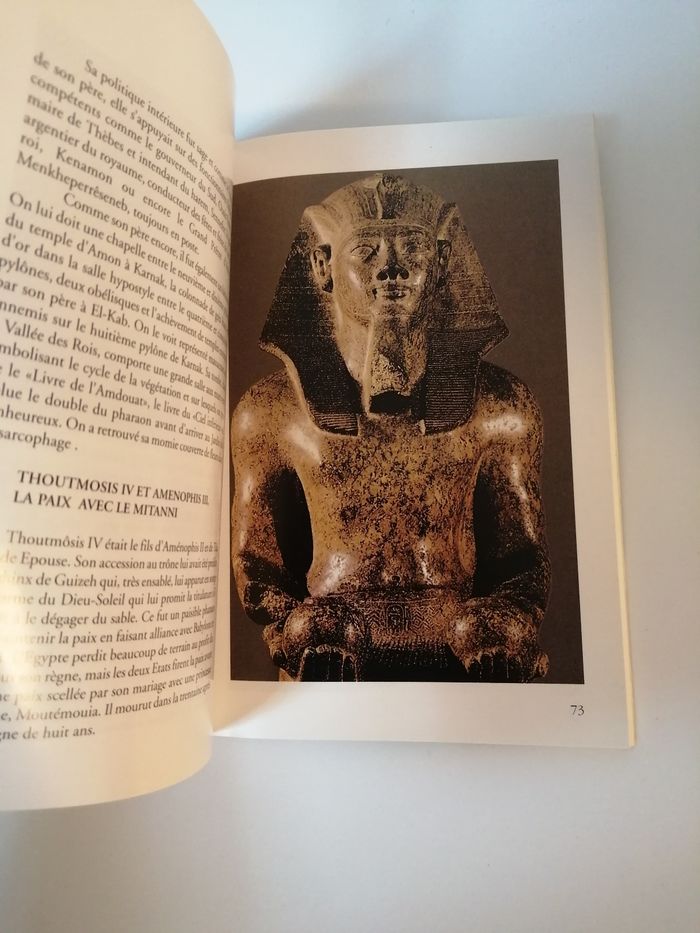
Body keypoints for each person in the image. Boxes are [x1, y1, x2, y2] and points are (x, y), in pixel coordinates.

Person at [231, 173, 550, 682]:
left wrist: (504, 620)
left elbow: (523, 564)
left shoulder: (499, 408)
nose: (391, 269)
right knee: (317, 629)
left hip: (463, 652)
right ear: (322, 265)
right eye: (367, 251)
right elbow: (257, 569)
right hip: (334, 647)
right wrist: (296, 628)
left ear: (442, 262)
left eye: (412, 248)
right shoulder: (271, 412)